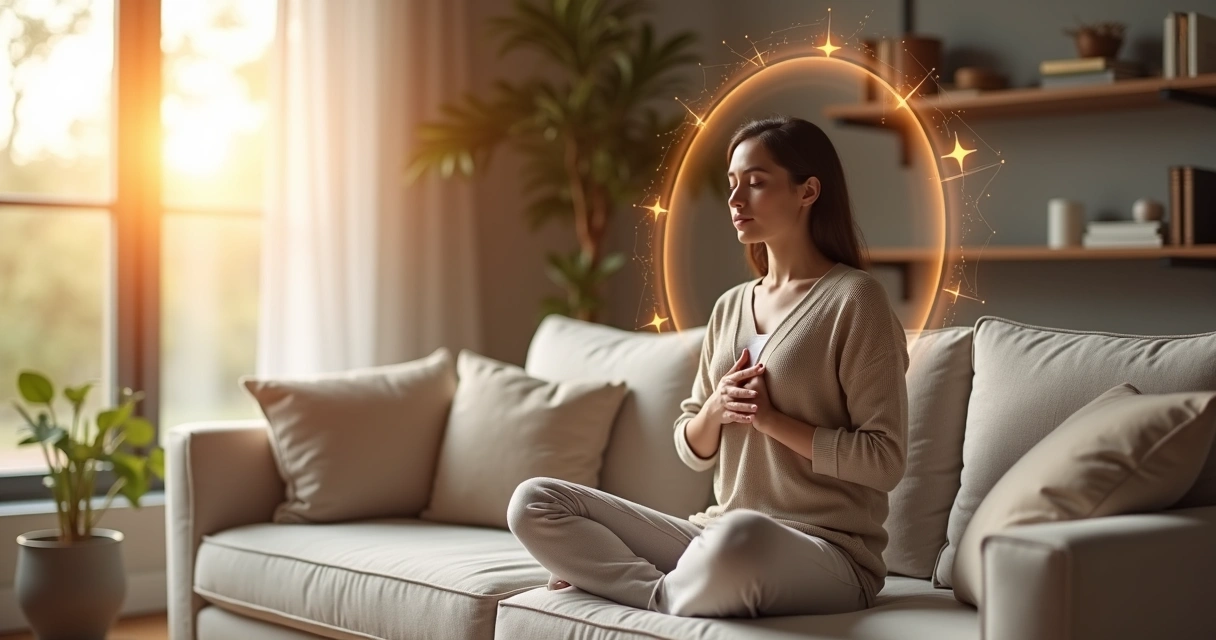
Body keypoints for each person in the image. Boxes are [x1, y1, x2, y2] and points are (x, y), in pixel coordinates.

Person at [506, 115, 910, 618]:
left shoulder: (856, 300)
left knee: (744, 537)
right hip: (714, 532)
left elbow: (885, 461)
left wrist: (772, 421)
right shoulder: (730, 306)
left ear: (808, 191)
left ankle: (642, 591)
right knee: (534, 500)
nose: (736, 201)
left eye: (756, 184)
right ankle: (666, 590)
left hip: (825, 551)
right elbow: (691, 447)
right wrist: (717, 409)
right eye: (732, 185)